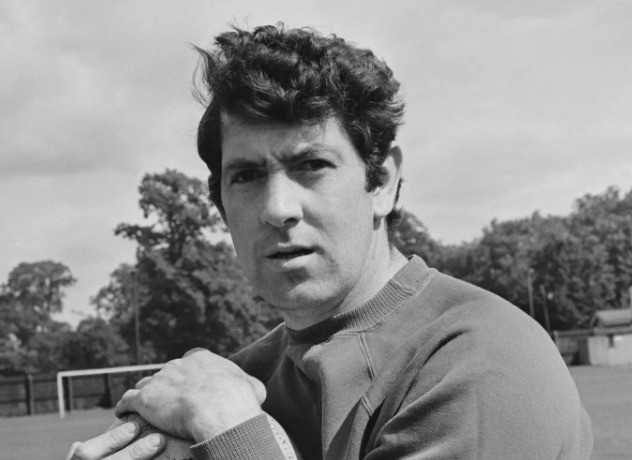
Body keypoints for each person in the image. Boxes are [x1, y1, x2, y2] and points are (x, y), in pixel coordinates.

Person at [68, 24, 593, 460]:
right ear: (222, 206)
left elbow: (230, 428)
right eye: (247, 176)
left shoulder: (479, 360)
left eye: (312, 165)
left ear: (381, 182)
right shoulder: (236, 380)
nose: (278, 208)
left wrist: (233, 434)